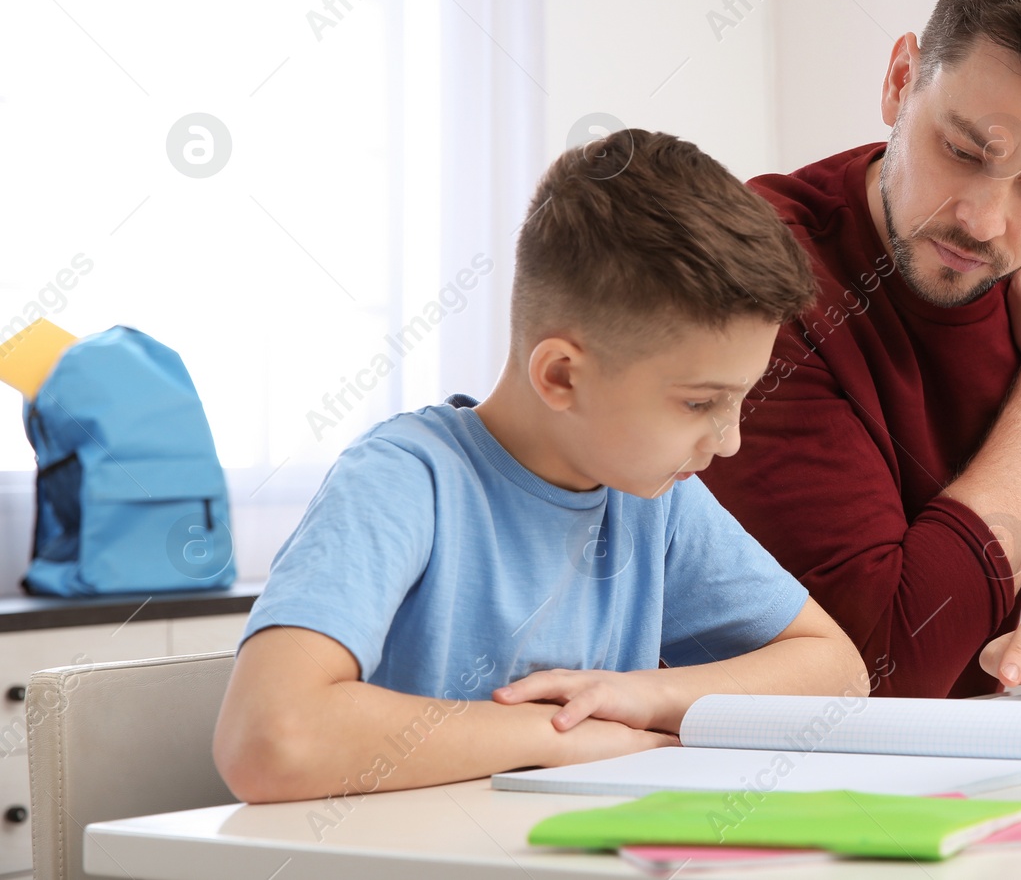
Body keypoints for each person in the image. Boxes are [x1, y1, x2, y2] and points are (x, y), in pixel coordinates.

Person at [214, 130, 867, 804]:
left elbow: (839, 670)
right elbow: (269, 740)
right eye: (700, 402)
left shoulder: (654, 498)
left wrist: (636, 696)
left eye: (739, 399)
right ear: (561, 375)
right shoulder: (406, 479)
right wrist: (559, 735)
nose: (727, 441)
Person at [701, 0, 1021, 701]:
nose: (985, 220)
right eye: (962, 150)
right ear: (900, 81)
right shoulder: (753, 269)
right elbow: (883, 665)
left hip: (1000, 779)